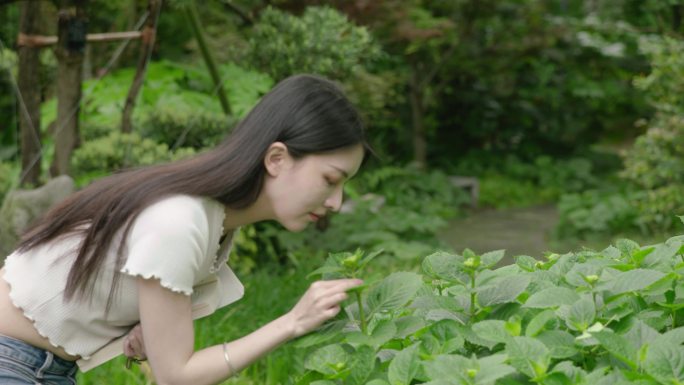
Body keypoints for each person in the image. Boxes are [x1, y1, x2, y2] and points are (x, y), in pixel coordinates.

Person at [0, 74, 367, 385]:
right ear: (276, 159)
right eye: (330, 180)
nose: (335, 201)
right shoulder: (180, 222)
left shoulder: (211, 218)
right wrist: (292, 323)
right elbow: (176, 377)